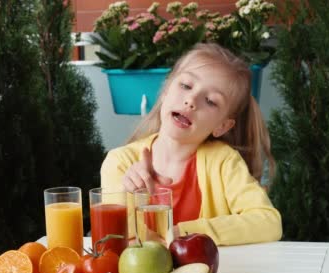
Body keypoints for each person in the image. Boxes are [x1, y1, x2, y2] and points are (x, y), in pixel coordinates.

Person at [100, 43, 282, 246]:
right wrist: (129, 198)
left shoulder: (224, 162)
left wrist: (183, 233)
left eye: (211, 101)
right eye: (186, 86)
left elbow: (269, 222)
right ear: (166, 90)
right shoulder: (119, 162)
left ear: (222, 126)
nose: (191, 100)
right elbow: (115, 240)